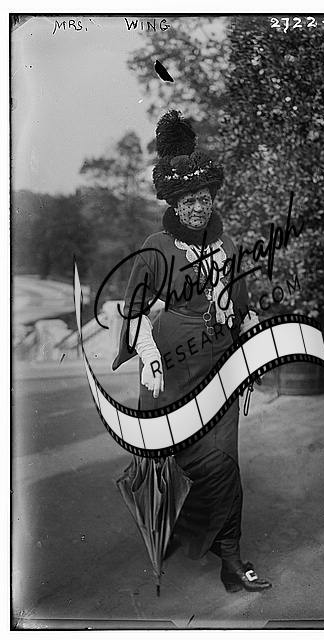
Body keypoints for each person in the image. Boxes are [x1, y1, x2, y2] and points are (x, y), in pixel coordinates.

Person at [113, 110, 271, 593]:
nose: (199, 208)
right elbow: (135, 312)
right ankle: (168, 528)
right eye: (189, 201)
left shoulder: (228, 245)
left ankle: (231, 558)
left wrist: (252, 353)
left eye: (205, 198)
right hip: (169, 371)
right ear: (175, 205)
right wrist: (149, 356)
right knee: (168, 462)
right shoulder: (157, 247)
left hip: (219, 370)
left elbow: (244, 308)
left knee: (223, 462)